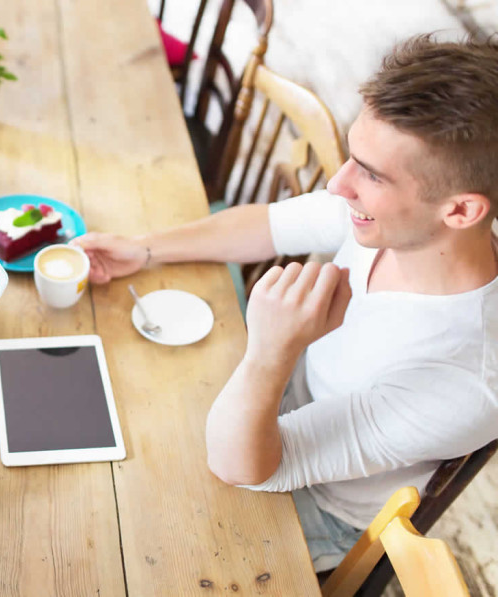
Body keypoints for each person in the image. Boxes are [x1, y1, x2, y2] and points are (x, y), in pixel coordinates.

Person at [72, 34, 498, 572]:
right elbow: (270, 225)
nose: (339, 184)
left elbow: (246, 467)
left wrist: (270, 349)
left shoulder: (467, 380)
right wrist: (146, 249)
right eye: (352, 157)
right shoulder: (398, 216)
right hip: (279, 392)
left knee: (108, 531)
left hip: (313, 506)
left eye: (370, 173)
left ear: (460, 211)